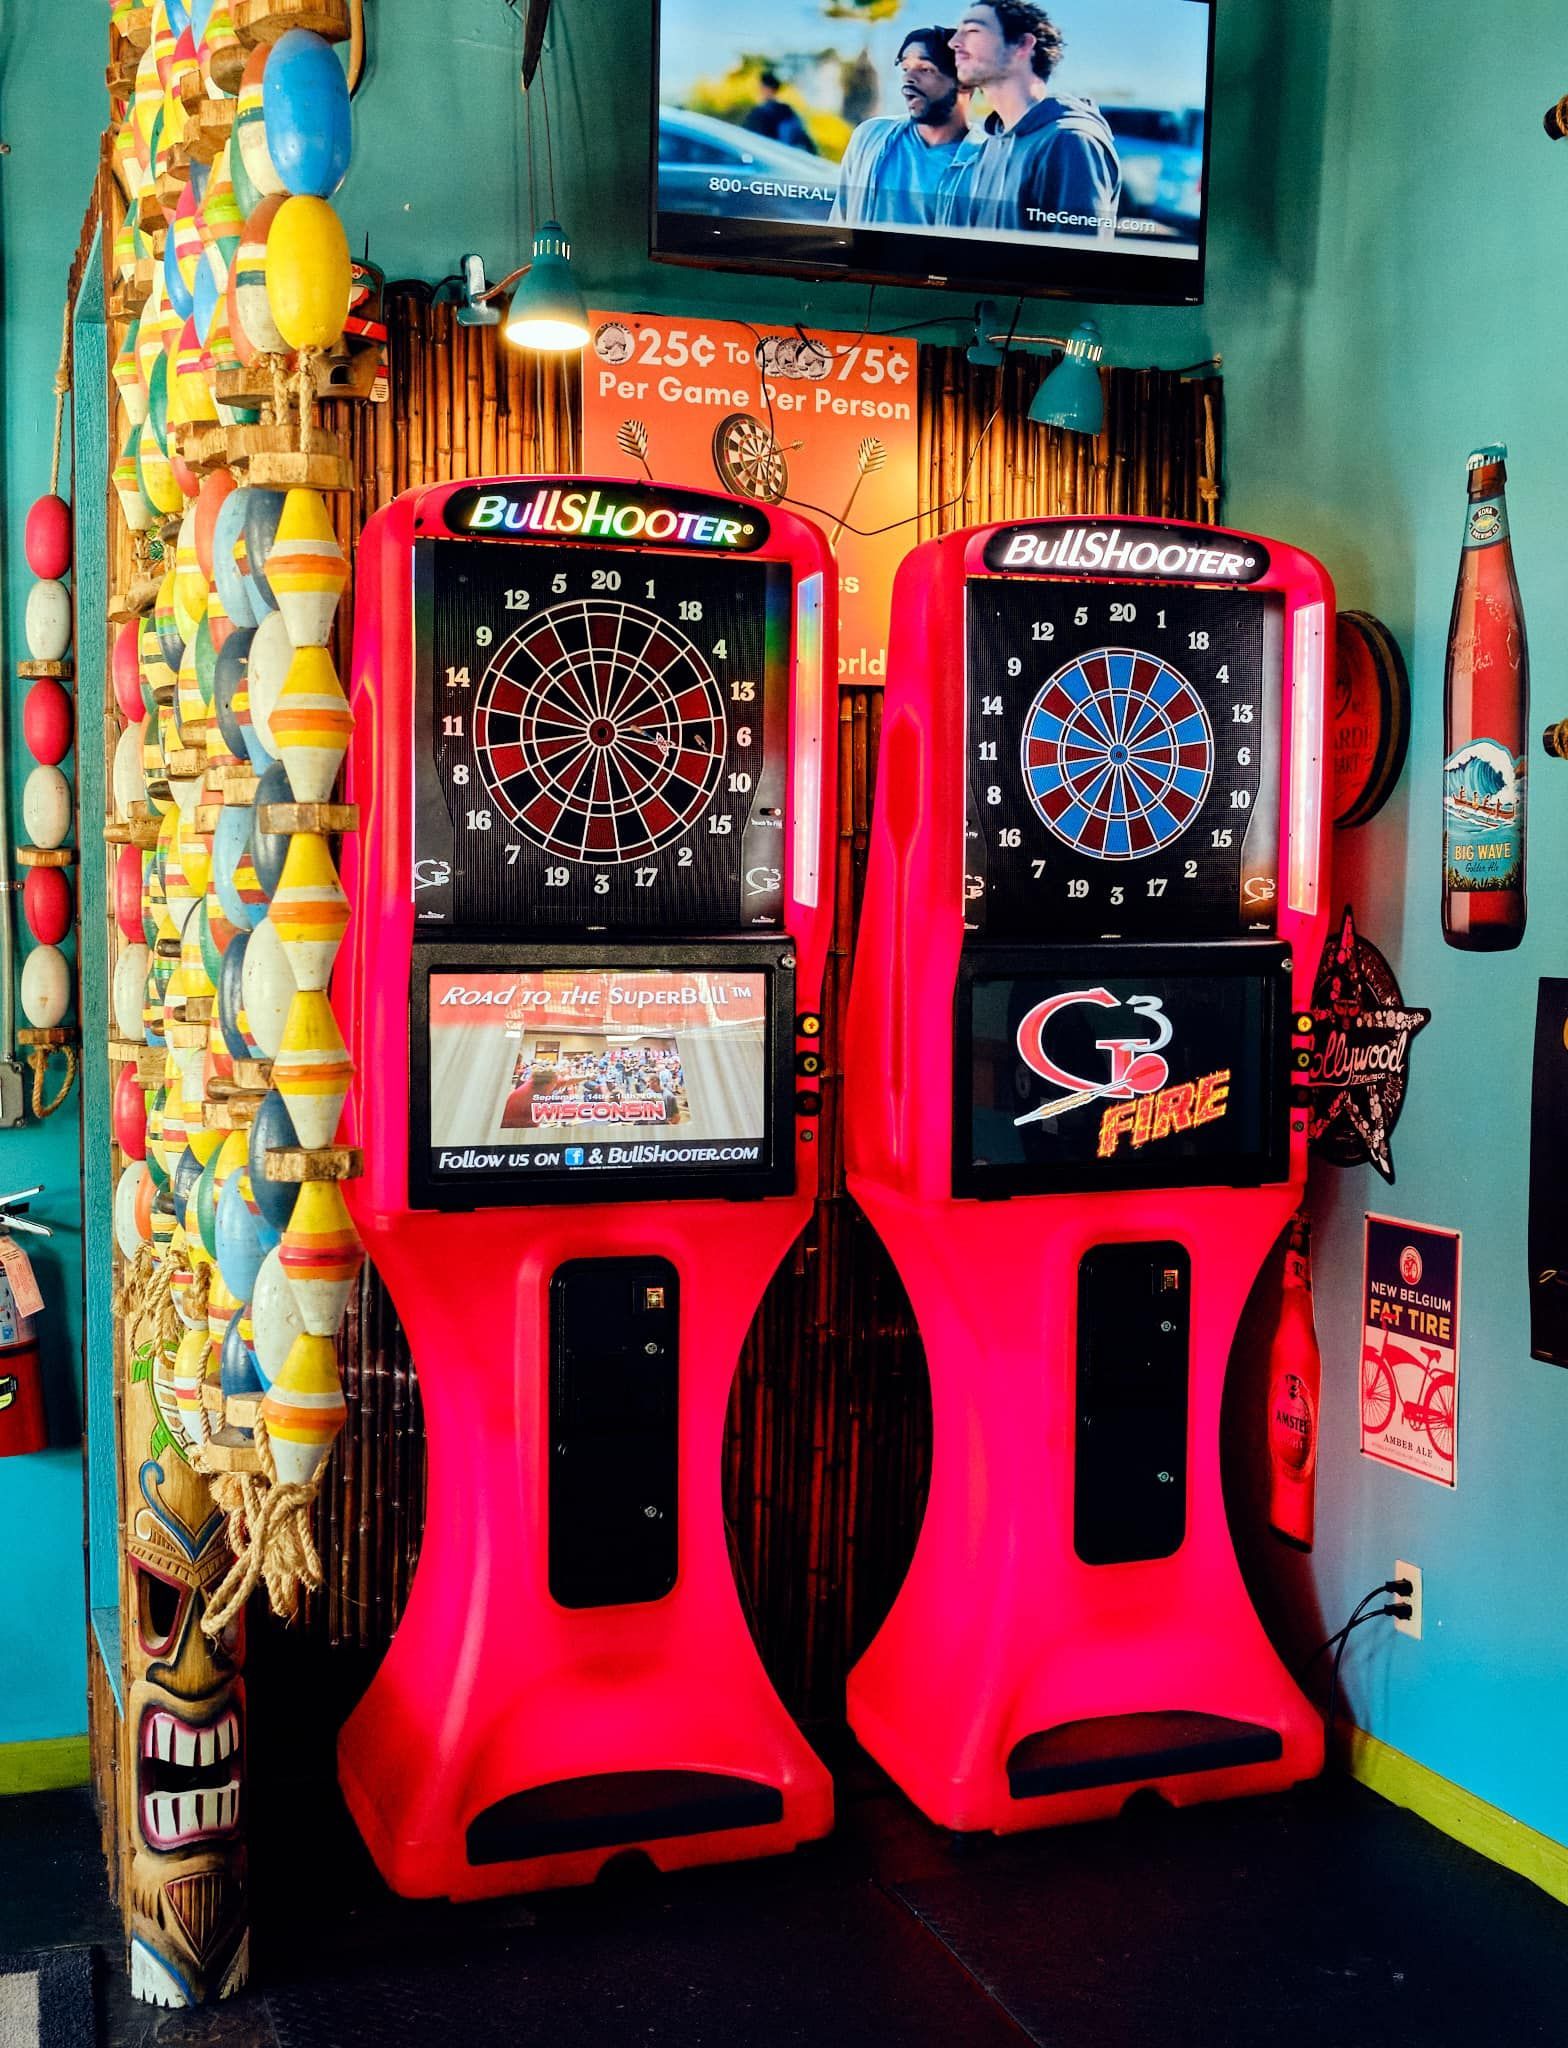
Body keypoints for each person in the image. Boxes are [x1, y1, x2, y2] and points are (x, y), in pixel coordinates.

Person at [936, 3, 1119, 240]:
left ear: (1022, 45)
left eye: (973, 31)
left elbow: (1079, 256)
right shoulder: (990, 147)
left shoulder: (1069, 142)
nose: (954, 43)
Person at [830, 29, 973, 228]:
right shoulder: (870, 136)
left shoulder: (985, 161)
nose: (908, 78)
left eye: (925, 69)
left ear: (965, 82)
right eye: (905, 68)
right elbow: (839, 220)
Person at [743, 71, 817, 156]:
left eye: (761, 87)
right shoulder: (789, 111)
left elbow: (749, 138)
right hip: (784, 156)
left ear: (766, 88)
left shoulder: (761, 112)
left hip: (767, 155)